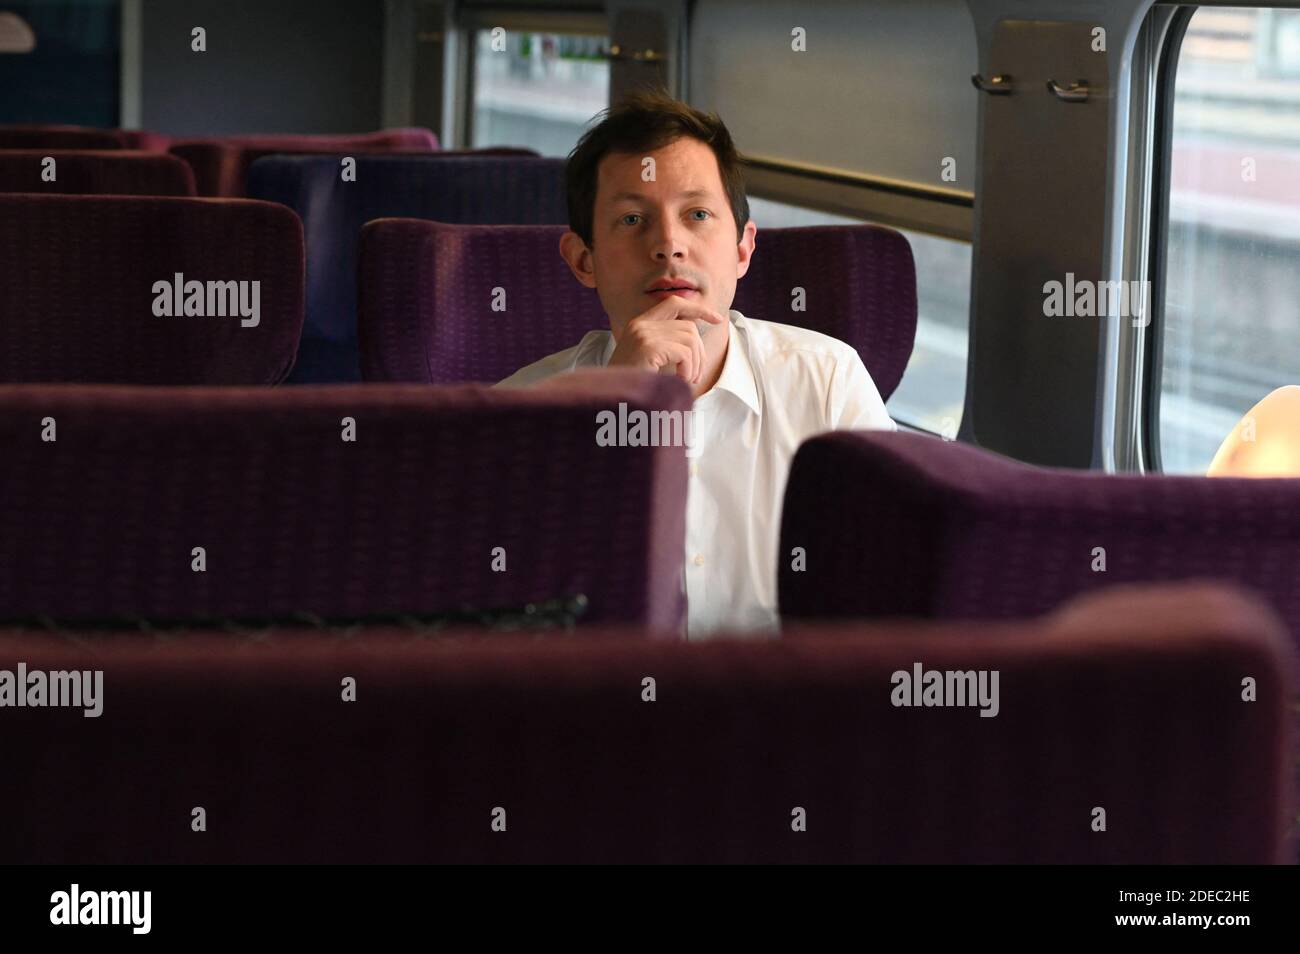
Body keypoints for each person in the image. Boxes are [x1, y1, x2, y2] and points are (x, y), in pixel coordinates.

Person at [497, 88, 896, 637]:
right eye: (633, 219)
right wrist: (615, 410)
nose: (668, 244)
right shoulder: (519, 410)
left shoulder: (827, 382)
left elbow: (897, 581)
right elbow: (514, 616)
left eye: (698, 214)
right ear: (583, 260)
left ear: (741, 249)